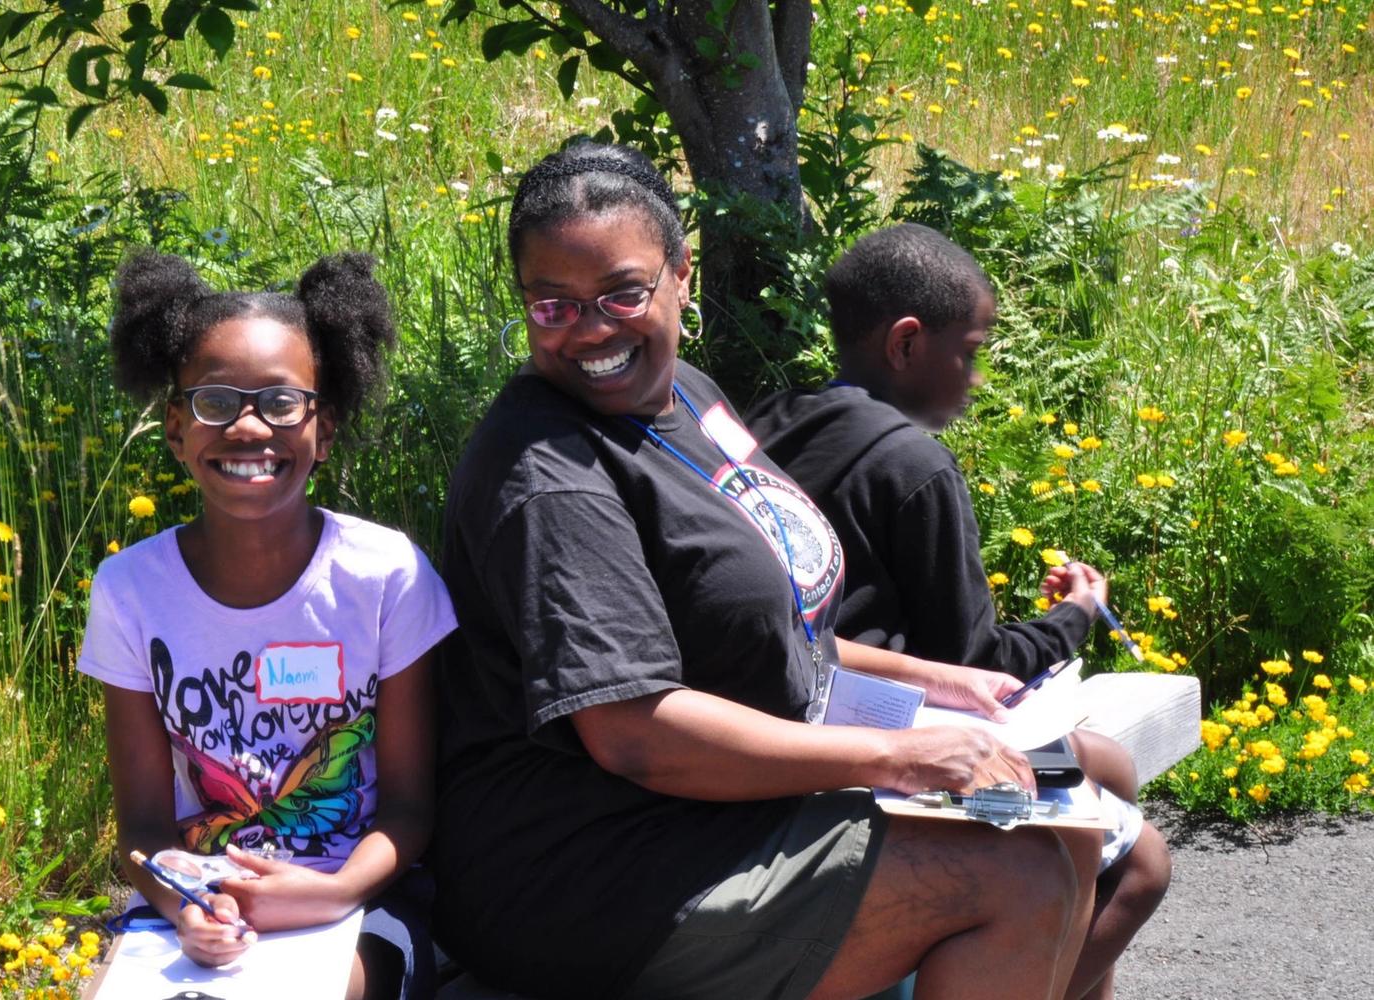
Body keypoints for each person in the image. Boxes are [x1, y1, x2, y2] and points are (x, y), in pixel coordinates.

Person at [430, 142, 1101, 1000]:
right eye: (552, 305)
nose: (592, 329)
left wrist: (944, 682)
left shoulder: (690, 399)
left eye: (623, 293)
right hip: (595, 870)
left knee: (1073, 811)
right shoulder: (548, 474)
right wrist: (894, 756)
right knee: (1018, 878)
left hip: (716, 809)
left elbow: (766, 621)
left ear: (681, 275)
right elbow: (635, 733)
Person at [748, 221, 1172, 999]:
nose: (977, 377)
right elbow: (974, 663)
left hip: (804, 698)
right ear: (907, 345)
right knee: (1143, 862)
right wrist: (1078, 614)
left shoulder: (771, 418)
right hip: (883, 729)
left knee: (1108, 764)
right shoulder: (913, 463)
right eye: (970, 351)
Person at [77, 250, 456, 1000]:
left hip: (358, 896)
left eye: (282, 403)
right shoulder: (130, 589)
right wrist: (189, 904)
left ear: (326, 426)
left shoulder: (386, 576)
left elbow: (411, 807)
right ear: (175, 426)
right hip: (198, 899)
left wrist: (329, 892)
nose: (248, 427)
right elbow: (144, 828)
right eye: (215, 402)